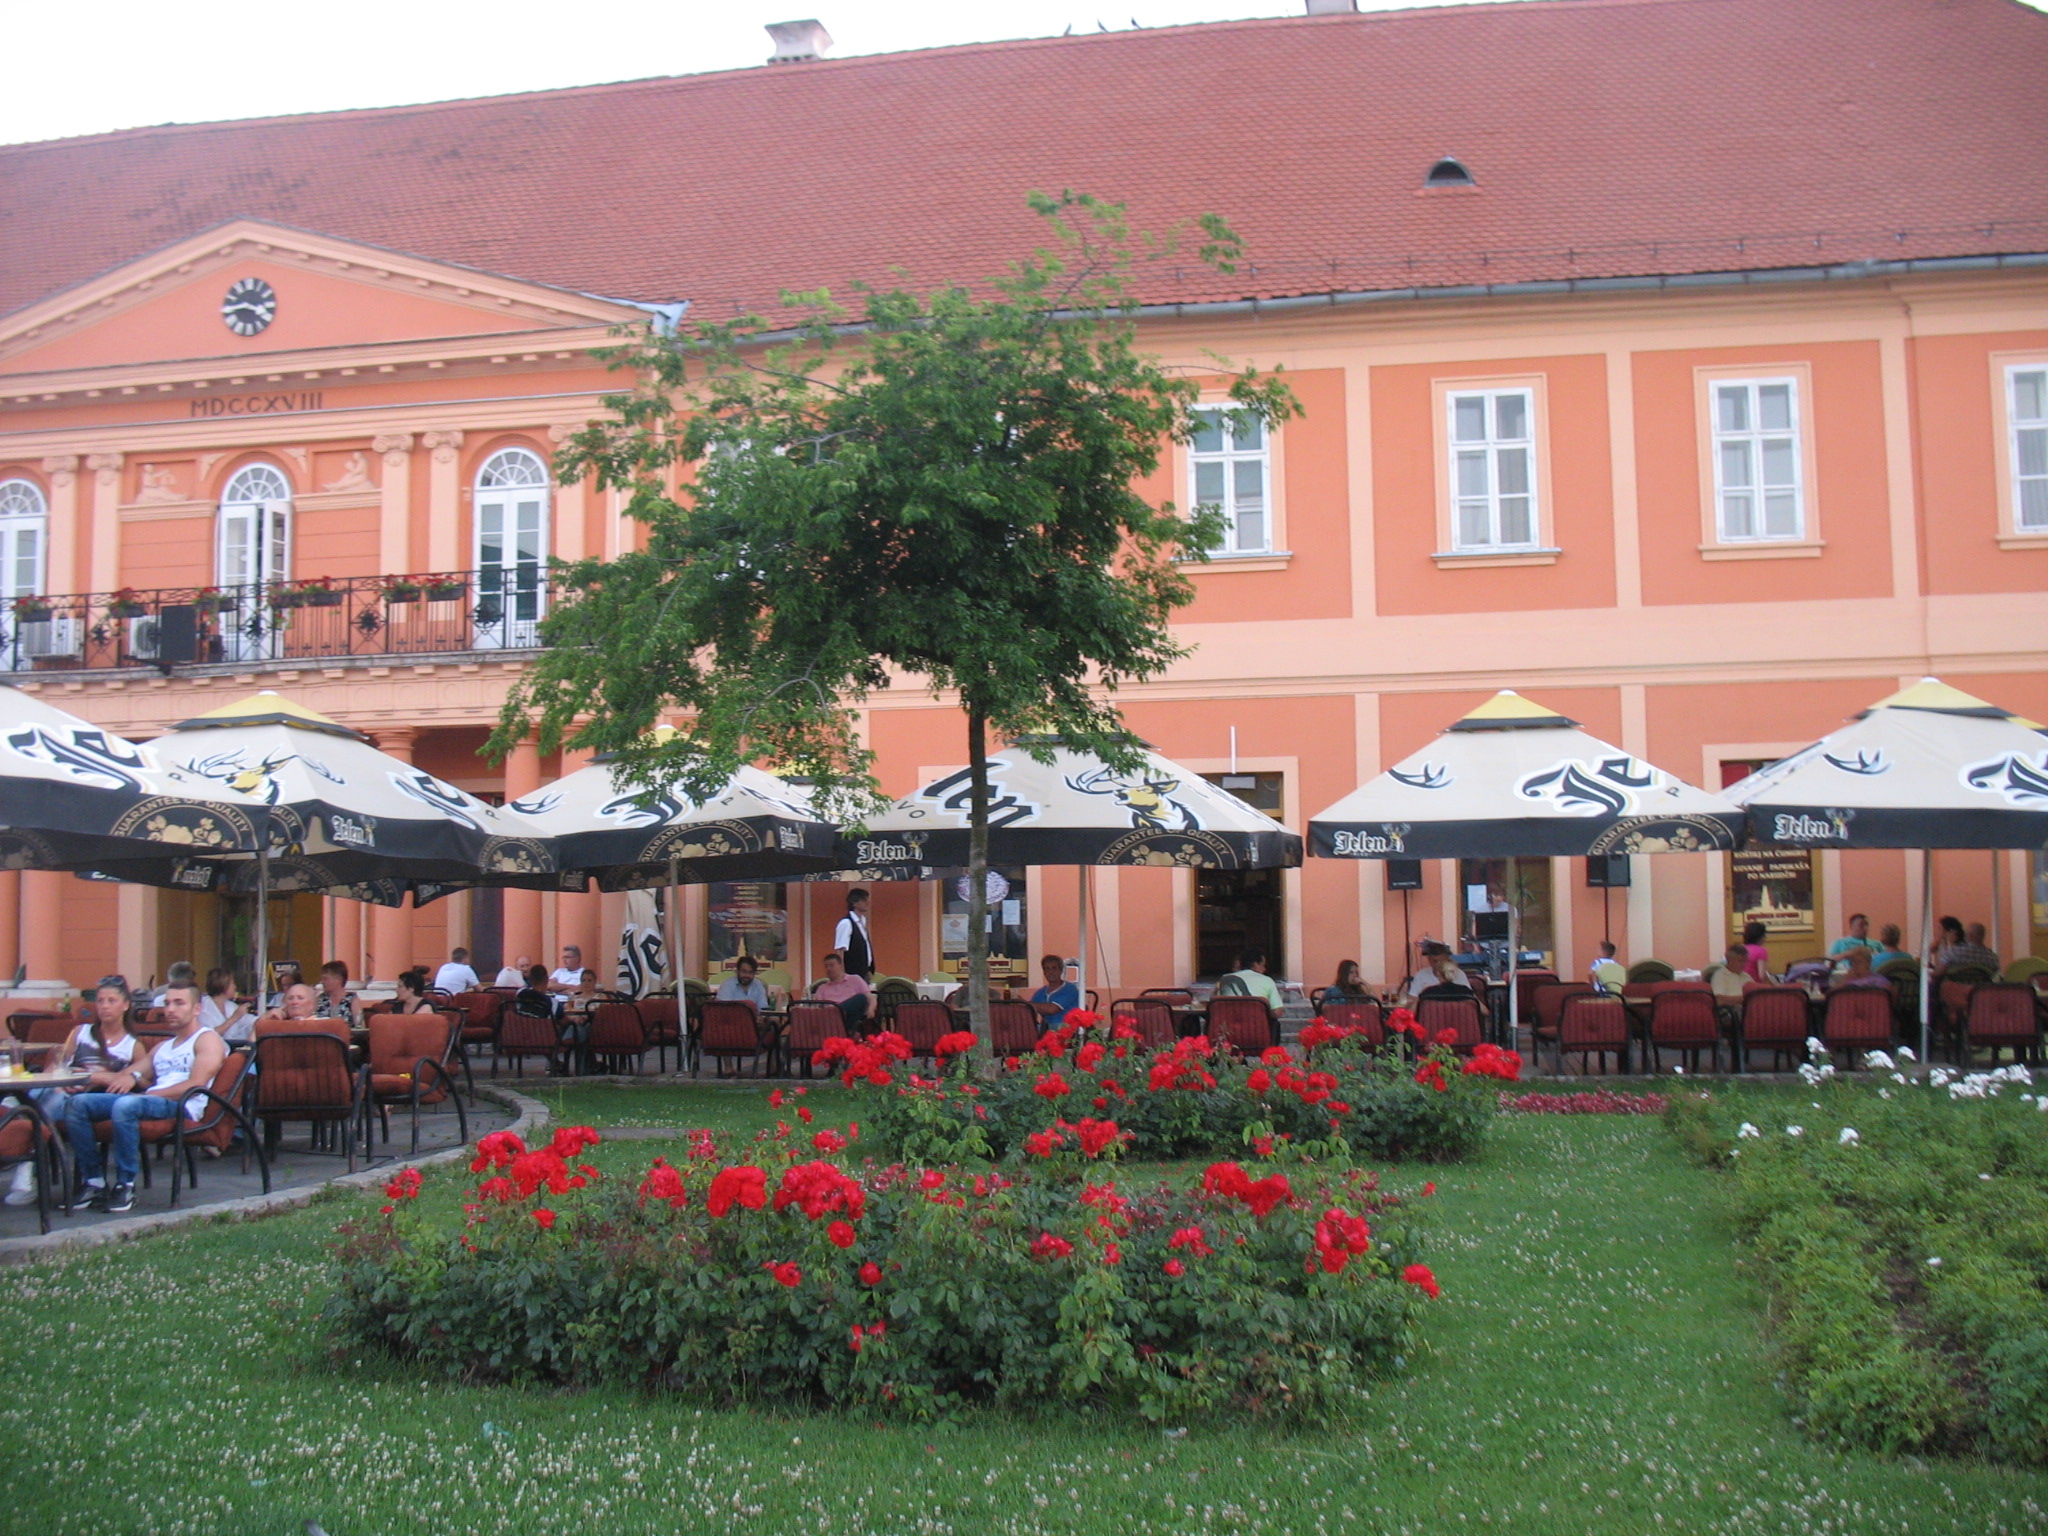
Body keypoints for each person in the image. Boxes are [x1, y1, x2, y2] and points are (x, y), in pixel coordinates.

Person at [64, 980, 225, 1215]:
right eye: (168, 1003)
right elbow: (128, 1073)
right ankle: (94, 1182)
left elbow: (196, 1084)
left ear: (196, 1009)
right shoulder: (164, 1046)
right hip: (151, 1101)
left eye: (179, 1003)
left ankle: (125, 1185)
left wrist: (146, 1091)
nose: (170, 1010)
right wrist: (112, 1076)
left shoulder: (206, 1039)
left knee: (127, 1104)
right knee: (77, 1105)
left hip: (182, 1105)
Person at [3, 977, 142, 1206]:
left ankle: (26, 1167)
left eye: (111, 1000)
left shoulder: (132, 1045)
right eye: (100, 1001)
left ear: (125, 1005)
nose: (104, 1006)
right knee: (20, 1100)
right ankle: (24, 1161)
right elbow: (57, 1065)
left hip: (90, 1098)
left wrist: (121, 1077)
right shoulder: (81, 1032)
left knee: (35, 1106)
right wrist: (59, 1079)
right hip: (61, 1088)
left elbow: (143, 1078)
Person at [814, 949, 874, 1032]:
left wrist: (871, 1009)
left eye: (831, 965)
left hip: (847, 1017)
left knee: (861, 998)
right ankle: (839, 1018)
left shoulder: (855, 979)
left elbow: (870, 997)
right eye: (826, 966)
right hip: (829, 1020)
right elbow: (817, 1008)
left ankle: (839, 1016)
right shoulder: (822, 988)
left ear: (841, 965)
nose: (828, 969)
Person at [1399, 941, 1467, 1005]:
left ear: (1447, 959)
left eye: (1442, 961)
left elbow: (1468, 999)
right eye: (1435, 961)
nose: (1438, 964)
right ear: (1429, 960)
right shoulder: (1421, 975)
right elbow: (1411, 999)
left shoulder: (1459, 974)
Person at [197, 967, 252, 1044]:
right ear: (223, 984)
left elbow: (250, 1021)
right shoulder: (203, 1007)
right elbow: (208, 1035)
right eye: (232, 983)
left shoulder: (231, 1006)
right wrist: (234, 1017)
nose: (235, 987)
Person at [1028, 953, 1081, 1030]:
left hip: (1067, 1029)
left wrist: (1027, 1004)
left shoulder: (1070, 988)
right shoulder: (1041, 992)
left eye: (1054, 968)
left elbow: (1052, 1009)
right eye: (1047, 969)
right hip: (1046, 1028)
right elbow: (1029, 1010)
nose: (1050, 972)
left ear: (1061, 970)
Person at [1218, 947, 1283, 1010]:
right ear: (1255, 964)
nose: (1264, 969)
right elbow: (1277, 1011)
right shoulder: (1267, 980)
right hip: (1256, 1020)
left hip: (1230, 1019)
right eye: (1263, 965)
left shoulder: (1225, 979)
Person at [833, 889, 875, 981]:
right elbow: (840, 951)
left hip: (864, 972)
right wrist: (841, 975)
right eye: (864, 900)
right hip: (851, 974)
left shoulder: (862, 923)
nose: (867, 902)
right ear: (854, 903)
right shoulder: (846, 923)